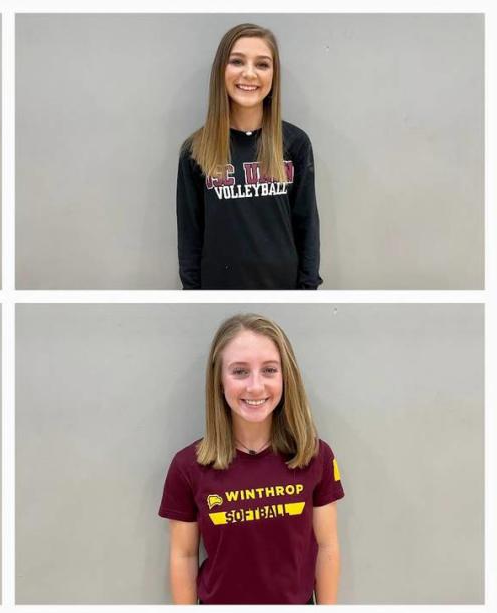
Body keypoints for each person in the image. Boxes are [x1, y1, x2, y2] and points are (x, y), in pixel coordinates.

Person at [158, 314, 342, 604]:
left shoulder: (316, 456)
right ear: (219, 380)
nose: (255, 387)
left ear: (286, 377)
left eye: (269, 370)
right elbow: (184, 555)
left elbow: (328, 545)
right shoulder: (187, 467)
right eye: (240, 372)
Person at [176, 24, 321, 290]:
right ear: (222, 70)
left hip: (283, 291)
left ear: (273, 76)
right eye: (237, 61)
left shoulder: (295, 144)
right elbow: (190, 240)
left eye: (262, 64)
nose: (249, 73)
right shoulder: (195, 150)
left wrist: (307, 293)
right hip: (217, 293)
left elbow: (307, 227)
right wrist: (194, 295)